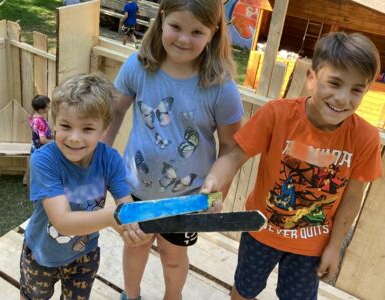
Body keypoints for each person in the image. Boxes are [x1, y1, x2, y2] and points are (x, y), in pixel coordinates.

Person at [201, 32, 382, 300]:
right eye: (334, 83)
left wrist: (334, 247)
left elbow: (353, 197)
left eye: (357, 89)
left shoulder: (365, 138)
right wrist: (213, 183)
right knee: (244, 290)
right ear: (311, 79)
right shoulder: (276, 115)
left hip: (312, 246)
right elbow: (234, 156)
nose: (343, 98)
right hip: (260, 230)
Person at [103, 0, 244, 299]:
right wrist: (96, 164)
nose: (183, 39)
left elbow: (232, 147)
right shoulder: (138, 65)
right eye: (176, 27)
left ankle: (173, 296)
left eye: (196, 31)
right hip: (135, 189)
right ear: (162, 19)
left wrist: (217, 192)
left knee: (173, 256)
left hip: (187, 198)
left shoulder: (221, 86)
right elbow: (114, 113)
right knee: (135, 246)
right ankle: (131, 294)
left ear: (213, 32)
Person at [20, 73, 151, 300]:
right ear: (54, 123)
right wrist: (113, 217)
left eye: (88, 129)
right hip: (42, 254)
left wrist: (132, 229)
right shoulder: (43, 160)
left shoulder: (110, 159)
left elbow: (125, 209)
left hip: (85, 254)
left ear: (104, 129)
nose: (74, 138)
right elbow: (62, 221)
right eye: (66, 126)